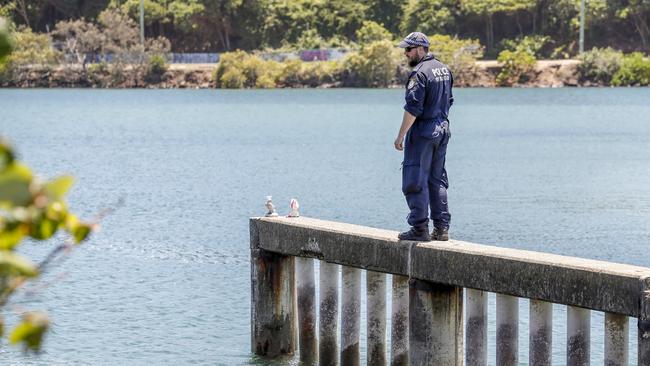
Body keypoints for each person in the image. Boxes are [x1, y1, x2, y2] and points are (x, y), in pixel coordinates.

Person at [394, 32, 454, 241]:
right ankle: (441, 228)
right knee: (437, 180)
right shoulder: (444, 70)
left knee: (414, 178)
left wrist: (400, 136)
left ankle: (419, 228)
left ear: (420, 49)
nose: (406, 54)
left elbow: (413, 109)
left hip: (424, 132)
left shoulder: (419, 73)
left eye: (408, 49)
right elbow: (449, 101)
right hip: (442, 128)